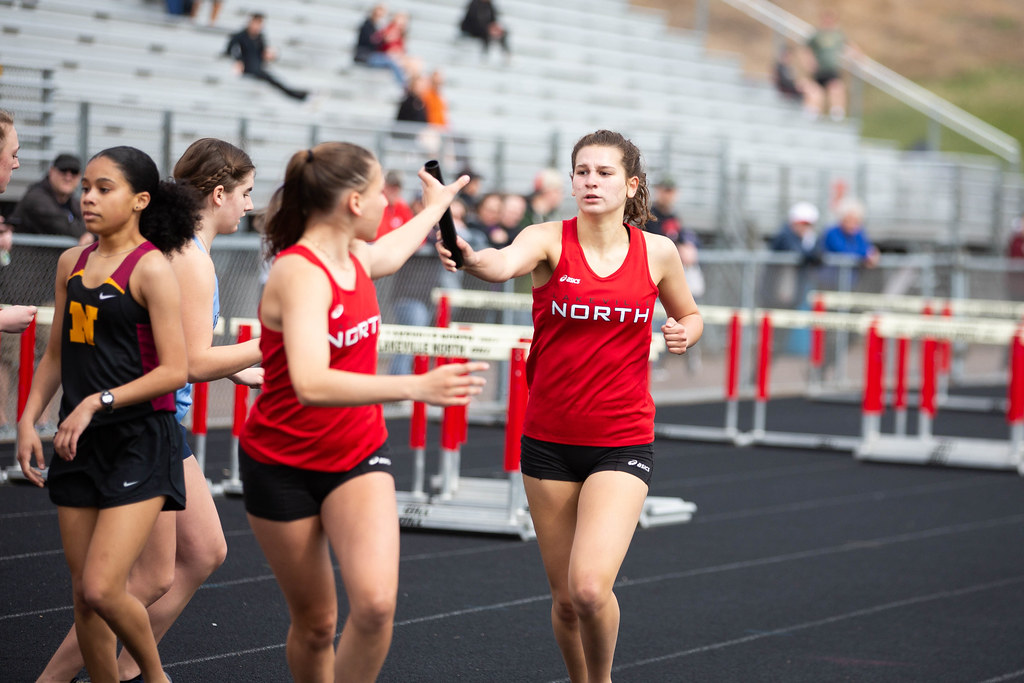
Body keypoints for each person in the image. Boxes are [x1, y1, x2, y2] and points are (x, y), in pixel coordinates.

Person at [436, 129, 702, 682]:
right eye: (582, 171)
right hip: (549, 441)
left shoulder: (657, 252)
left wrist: (684, 333)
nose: (590, 181)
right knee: (563, 600)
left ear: (630, 185)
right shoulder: (546, 239)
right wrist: (466, 254)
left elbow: (690, 314)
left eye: (604, 173)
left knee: (588, 587)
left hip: (622, 440)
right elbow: (499, 263)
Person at [238, 142, 488, 682]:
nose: (386, 205)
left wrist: (434, 208)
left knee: (374, 608)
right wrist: (416, 385)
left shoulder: (355, 256)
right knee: (316, 623)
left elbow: (394, 250)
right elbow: (310, 382)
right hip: (281, 462)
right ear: (354, 202)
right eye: (380, 194)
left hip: (356, 453)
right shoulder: (298, 272)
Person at [29, 138, 264, 683]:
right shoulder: (185, 258)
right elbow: (190, 360)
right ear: (220, 193)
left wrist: (234, 368)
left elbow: (170, 343)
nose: (250, 206)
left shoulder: (179, 251)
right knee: (137, 580)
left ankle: (128, 670)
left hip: (148, 416)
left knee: (202, 553)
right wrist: (274, 342)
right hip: (141, 420)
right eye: (247, 193)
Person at [16, 146, 199, 683]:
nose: (88, 197)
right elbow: (55, 355)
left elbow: (176, 370)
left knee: (102, 587)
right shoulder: (70, 262)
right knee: (83, 597)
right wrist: (29, 419)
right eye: (86, 187)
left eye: (104, 188)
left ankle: (155, 676)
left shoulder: (152, 270)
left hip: (139, 439)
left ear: (140, 200)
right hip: (79, 443)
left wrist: (100, 401)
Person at [225, 13, 309, 102]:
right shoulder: (240, 36)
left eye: (260, 24)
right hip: (247, 68)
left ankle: (299, 95)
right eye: (256, 23)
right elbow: (229, 50)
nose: (257, 26)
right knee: (275, 82)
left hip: (259, 67)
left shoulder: (260, 37)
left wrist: (269, 55)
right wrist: (238, 61)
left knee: (276, 81)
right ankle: (299, 96)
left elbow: (263, 51)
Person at [8, 153, 89, 244]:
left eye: (74, 172)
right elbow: (61, 227)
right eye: (63, 171)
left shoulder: (73, 202)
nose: (68, 177)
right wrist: (91, 234)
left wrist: (92, 235)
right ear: (51, 171)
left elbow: (96, 224)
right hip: (25, 257)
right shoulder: (36, 198)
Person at [805, 8, 859, 121]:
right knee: (816, 92)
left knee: (836, 88)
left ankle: (837, 113)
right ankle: (813, 114)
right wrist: (809, 61)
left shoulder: (838, 34)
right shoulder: (816, 34)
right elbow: (806, 49)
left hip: (832, 69)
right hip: (819, 70)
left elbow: (850, 46)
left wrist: (854, 56)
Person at [353, 4, 407, 87]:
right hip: (365, 56)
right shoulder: (367, 25)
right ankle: (403, 86)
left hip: (370, 55)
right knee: (392, 62)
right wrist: (384, 39)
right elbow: (371, 42)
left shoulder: (375, 27)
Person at [376, 169, 414, 239]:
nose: (393, 191)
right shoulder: (377, 205)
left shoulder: (402, 207)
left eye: (396, 187)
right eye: (390, 187)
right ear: (384, 187)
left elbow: (414, 233)